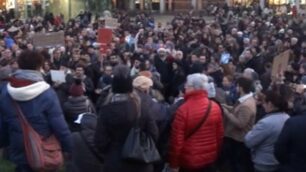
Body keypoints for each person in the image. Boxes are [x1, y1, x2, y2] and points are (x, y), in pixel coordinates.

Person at [0, 50, 72, 172]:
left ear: (19, 65)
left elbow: (3, 122)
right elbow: (59, 124)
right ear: (39, 66)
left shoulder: (6, 92)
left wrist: (4, 142)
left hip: (19, 145)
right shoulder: (47, 92)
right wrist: (68, 147)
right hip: (44, 147)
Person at [94, 65, 159, 172]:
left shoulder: (107, 109)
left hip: (115, 162)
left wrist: (110, 152)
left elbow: (99, 141)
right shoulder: (141, 107)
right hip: (141, 160)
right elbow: (153, 133)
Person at [168, 73, 224, 172]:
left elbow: (177, 141)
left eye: (187, 86)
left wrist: (174, 164)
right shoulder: (215, 106)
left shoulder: (183, 110)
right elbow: (219, 135)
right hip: (209, 158)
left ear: (193, 88)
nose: (185, 88)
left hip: (189, 160)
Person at [245, 90, 290, 172]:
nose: (263, 105)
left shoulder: (266, 123)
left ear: (270, 104)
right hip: (279, 161)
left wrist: (252, 129)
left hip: (264, 163)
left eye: (264, 103)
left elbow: (249, 142)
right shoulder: (287, 117)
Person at [221, 77, 257, 172]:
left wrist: (226, 113)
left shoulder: (246, 105)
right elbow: (237, 110)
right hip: (236, 138)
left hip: (238, 140)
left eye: (237, 86)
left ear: (241, 87)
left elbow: (241, 123)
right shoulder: (246, 100)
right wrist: (227, 107)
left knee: (236, 164)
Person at [274, 102, 306, 172]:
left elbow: (279, 149)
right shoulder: (293, 122)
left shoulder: (293, 122)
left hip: (293, 167)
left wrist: (287, 163)